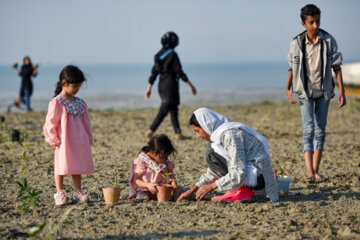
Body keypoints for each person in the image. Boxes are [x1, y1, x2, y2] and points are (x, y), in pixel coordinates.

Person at [286, 4, 346, 183]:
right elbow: (291, 67)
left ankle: (316, 170)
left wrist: (342, 91)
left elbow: (337, 67)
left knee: (320, 130)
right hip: (304, 92)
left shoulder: (328, 40)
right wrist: (288, 88)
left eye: (317, 21)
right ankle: (309, 171)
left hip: (324, 92)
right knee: (308, 129)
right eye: (311, 22)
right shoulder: (296, 43)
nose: (315, 26)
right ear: (303, 23)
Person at [177, 108, 279, 203]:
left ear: (206, 125)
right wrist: (193, 190)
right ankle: (238, 188)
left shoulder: (230, 135)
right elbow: (214, 171)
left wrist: (212, 186)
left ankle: (242, 190)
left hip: (259, 181)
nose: (198, 136)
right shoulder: (219, 136)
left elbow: (239, 171)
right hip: (254, 178)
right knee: (211, 152)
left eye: (197, 131)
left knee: (211, 154)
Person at [43, 65, 95, 206]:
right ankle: (60, 191)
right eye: (75, 86)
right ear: (64, 84)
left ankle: (78, 191)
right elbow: (50, 123)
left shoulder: (80, 103)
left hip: (79, 140)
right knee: (61, 165)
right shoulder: (57, 103)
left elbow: (86, 122)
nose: (77, 89)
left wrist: (88, 136)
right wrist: (53, 138)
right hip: (63, 140)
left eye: (79, 86)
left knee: (76, 165)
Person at [145, 31, 197, 140]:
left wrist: (149, 88)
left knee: (173, 109)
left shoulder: (158, 55)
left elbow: (154, 73)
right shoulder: (173, 55)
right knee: (164, 109)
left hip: (162, 85)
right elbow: (179, 71)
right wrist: (190, 85)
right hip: (171, 86)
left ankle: (178, 133)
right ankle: (150, 131)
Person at [129, 134, 183, 200]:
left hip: (162, 188)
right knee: (143, 197)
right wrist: (148, 185)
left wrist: (175, 191)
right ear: (153, 152)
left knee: (181, 192)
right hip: (146, 189)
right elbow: (136, 180)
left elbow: (172, 177)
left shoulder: (165, 160)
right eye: (162, 157)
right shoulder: (143, 161)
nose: (164, 159)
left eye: (166, 157)